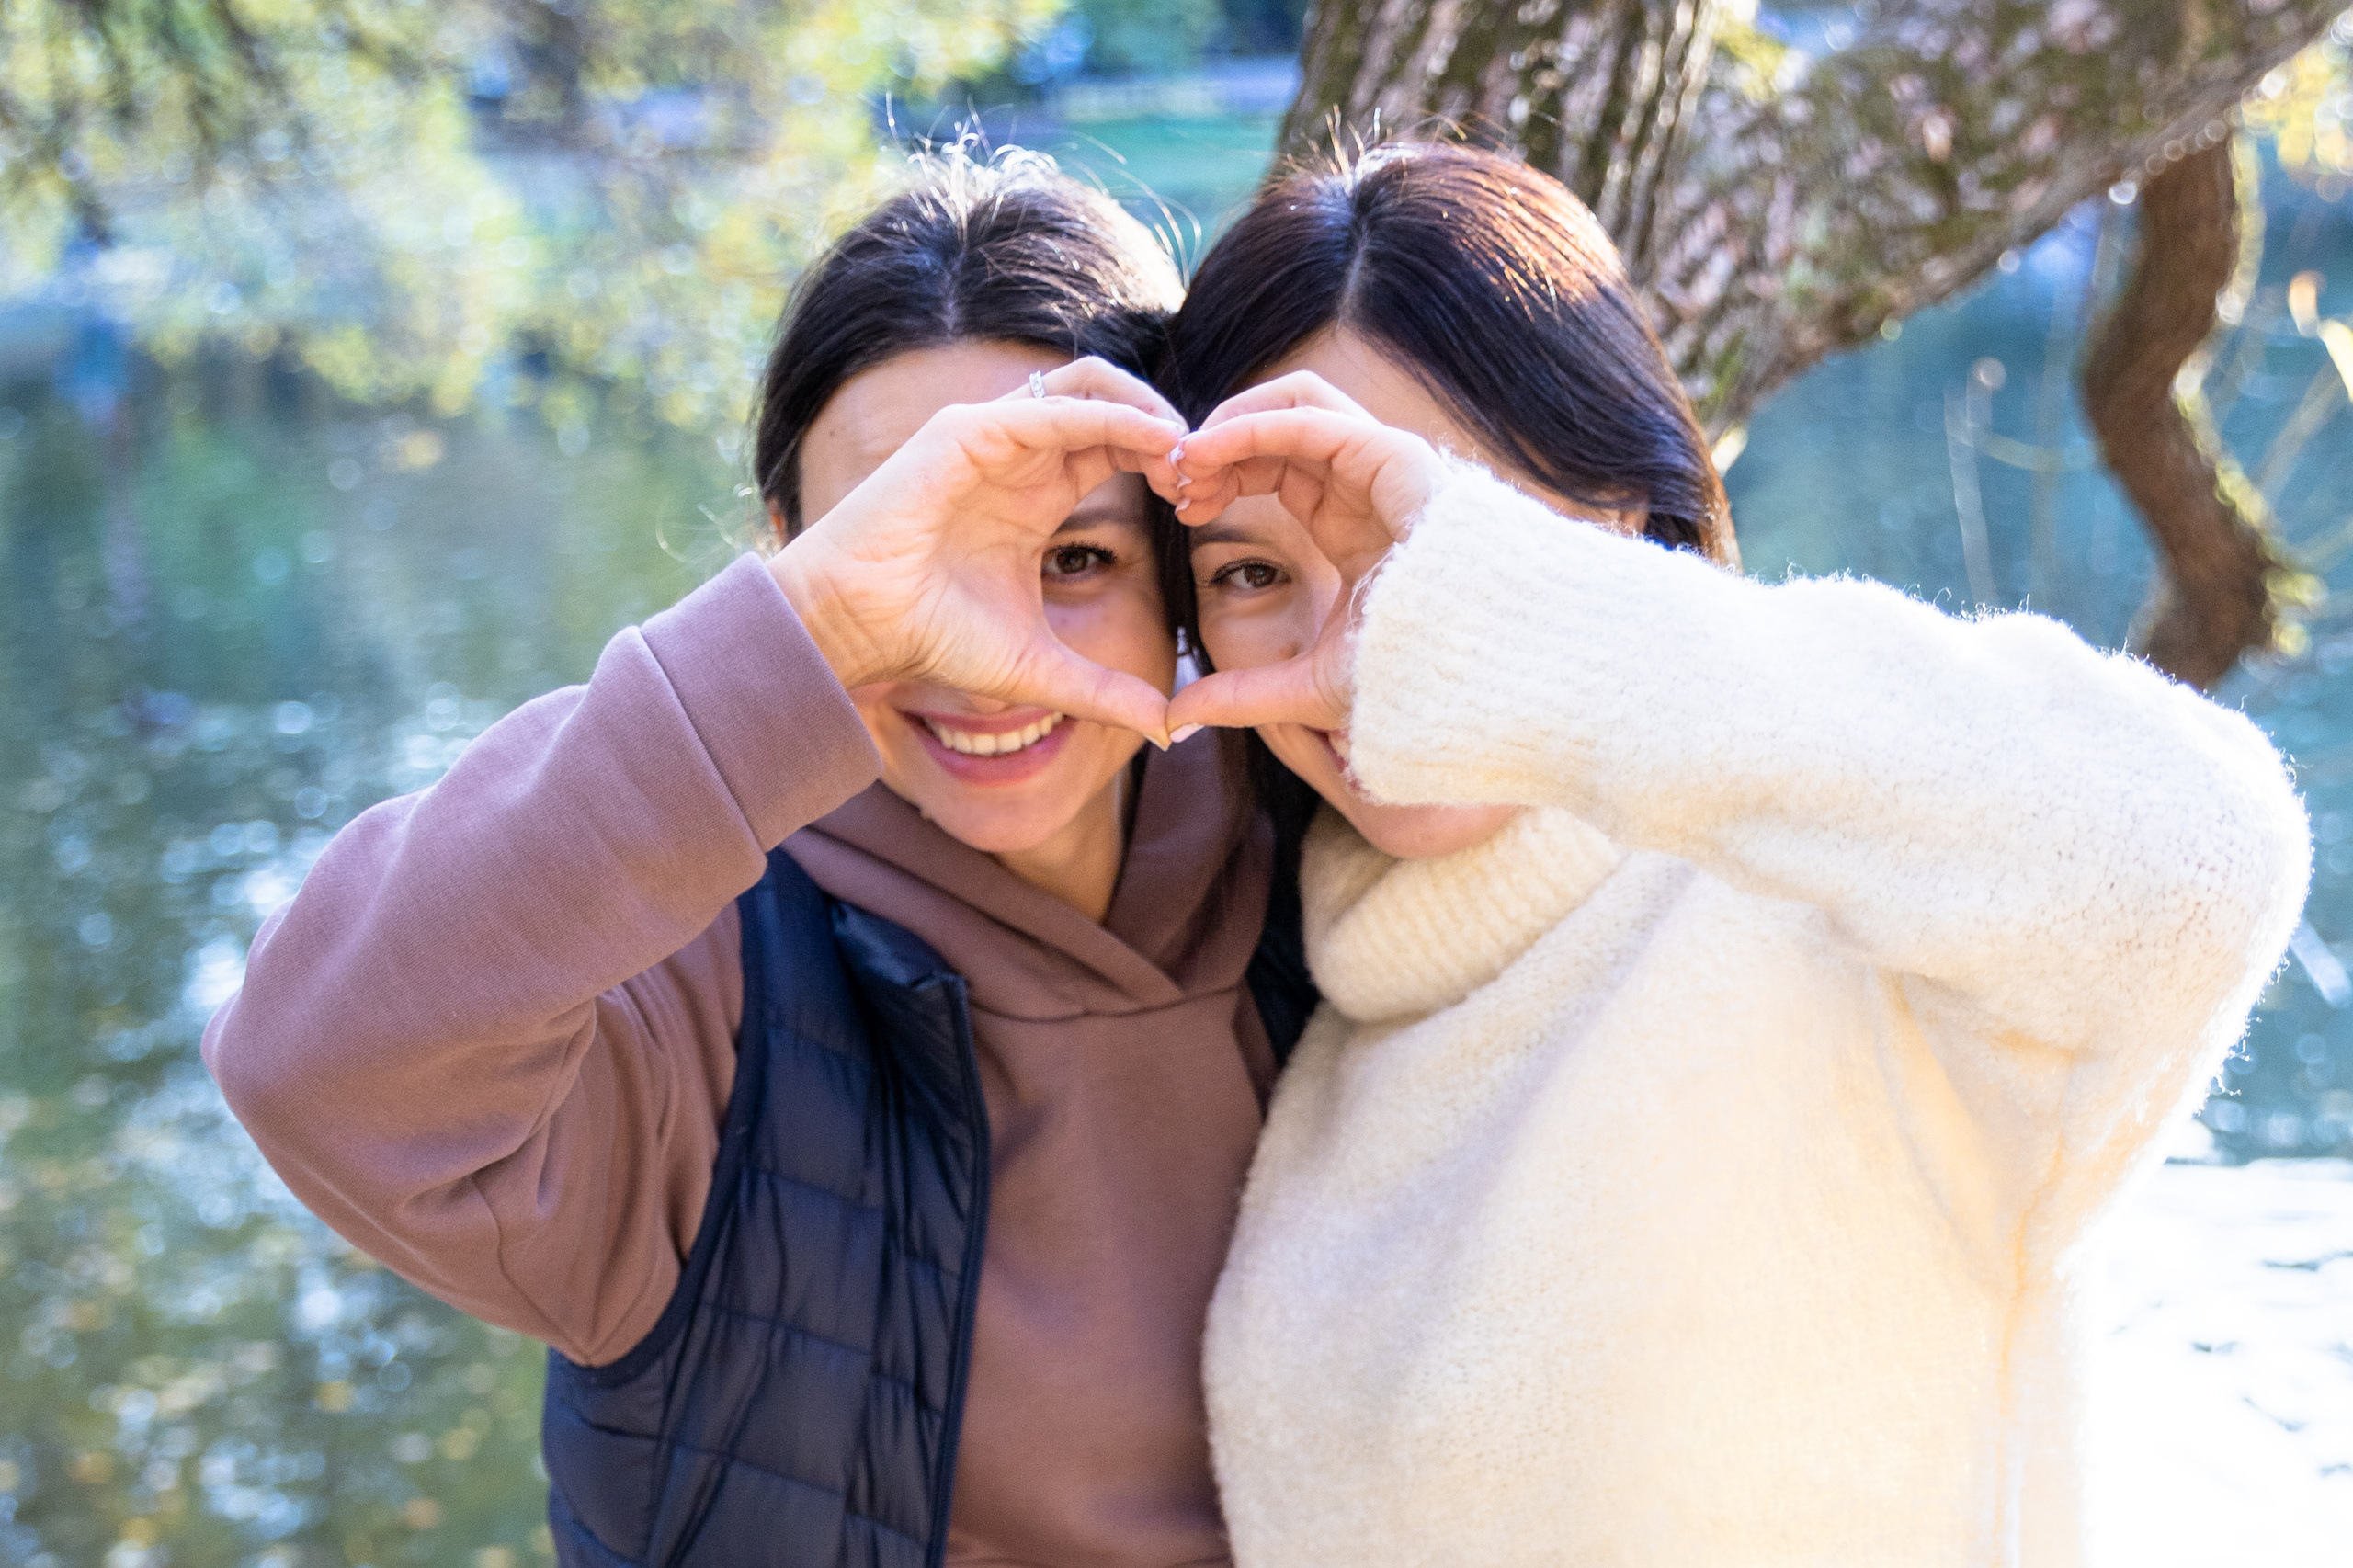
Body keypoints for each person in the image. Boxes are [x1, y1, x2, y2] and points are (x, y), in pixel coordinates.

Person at [1158, 140, 2311, 1567]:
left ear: (1614, 520)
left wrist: (1546, 642)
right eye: (1255, 575)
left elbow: (2206, 858)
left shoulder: (1838, 915)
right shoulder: (1308, 1036)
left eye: (1430, 538)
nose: (1358, 649)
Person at [204, 147, 1315, 1568]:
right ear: (785, 554)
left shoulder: (1322, 859)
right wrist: (793, 659)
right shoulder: (696, 980)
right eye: (904, 553)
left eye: (1078, 559)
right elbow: (315, 1069)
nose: (987, 653)